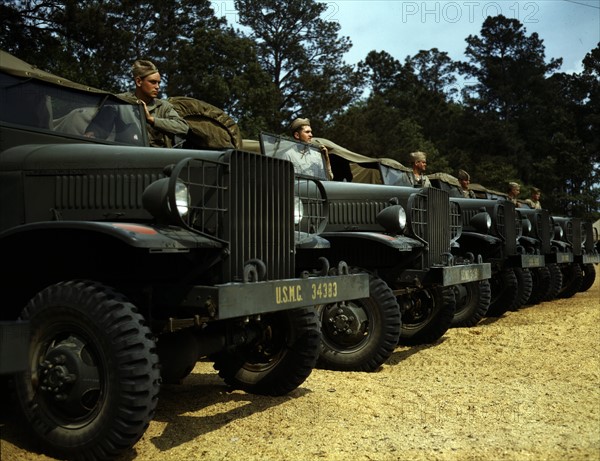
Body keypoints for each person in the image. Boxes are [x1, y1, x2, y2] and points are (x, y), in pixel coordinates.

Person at [117, 60, 188, 147]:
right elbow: (100, 132)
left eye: (159, 83)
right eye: (153, 82)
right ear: (139, 82)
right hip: (127, 155)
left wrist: (152, 120)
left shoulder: (163, 106)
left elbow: (183, 128)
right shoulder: (119, 103)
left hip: (157, 157)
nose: (157, 87)